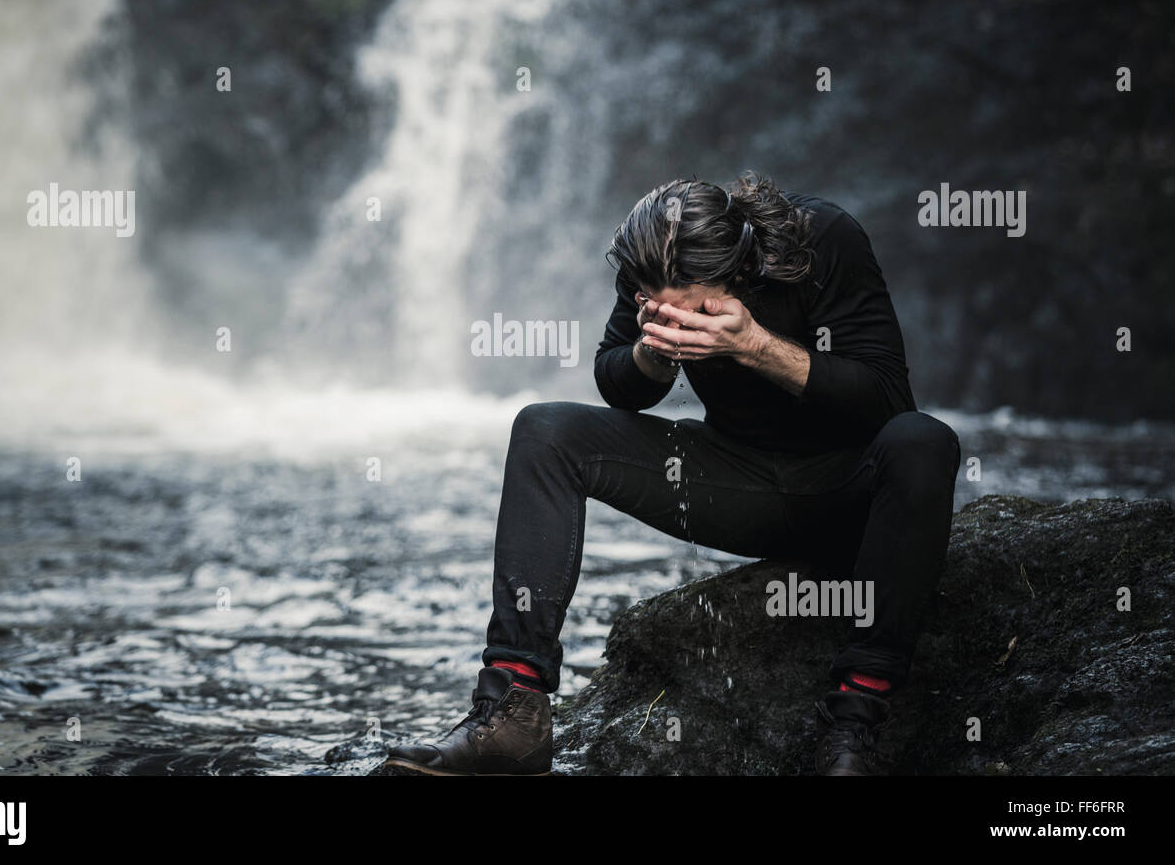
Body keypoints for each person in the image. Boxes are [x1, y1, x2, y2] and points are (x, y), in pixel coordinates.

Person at [385, 171, 961, 776]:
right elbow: (616, 384)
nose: (667, 308)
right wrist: (650, 354)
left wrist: (754, 346)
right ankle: (513, 711)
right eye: (650, 297)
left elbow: (888, 401)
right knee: (544, 428)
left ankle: (854, 725)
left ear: (738, 271)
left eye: (690, 300)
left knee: (925, 441)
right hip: (736, 485)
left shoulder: (826, 238)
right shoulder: (652, 256)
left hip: (848, 493)